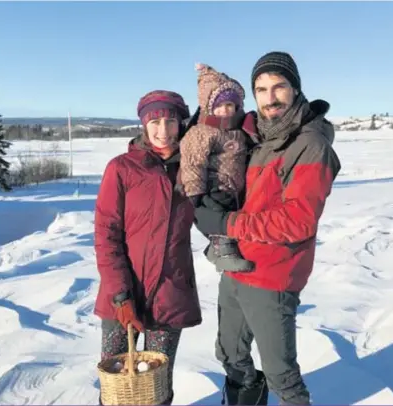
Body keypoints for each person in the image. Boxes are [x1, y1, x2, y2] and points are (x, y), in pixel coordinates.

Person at [193, 51, 342, 405]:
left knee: (281, 375)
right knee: (229, 354)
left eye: (279, 87)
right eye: (261, 89)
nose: (270, 97)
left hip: (273, 275)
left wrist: (226, 222)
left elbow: (298, 220)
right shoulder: (260, 138)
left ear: (296, 89)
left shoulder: (310, 144)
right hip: (237, 268)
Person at [93, 90, 202, 405]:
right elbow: (106, 233)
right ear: (143, 124)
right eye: (155, 121)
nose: (163, 130)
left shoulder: (192, 170)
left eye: (170, 120)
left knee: (156, 384)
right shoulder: (122, 168)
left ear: (181, 123)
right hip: (123, 293)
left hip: (170, 293)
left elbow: (217, 210)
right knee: (117, 382)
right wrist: (119, 293)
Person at [179, 63, 255, 273]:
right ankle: (222, 252)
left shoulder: (237, 130)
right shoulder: (202, 132)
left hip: (235, 186)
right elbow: (193, 162)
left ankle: (219, 248)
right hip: (215, 187)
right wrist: (196, 193)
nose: (225, 110)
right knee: (220, 218)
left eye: (230, 105)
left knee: (235, 218)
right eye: (220, 106)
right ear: (210, 107)